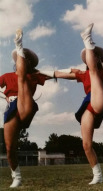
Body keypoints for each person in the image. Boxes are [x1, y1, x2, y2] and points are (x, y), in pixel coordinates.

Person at [54, 23, 103, 185]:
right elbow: (60, 74)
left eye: (95, 55)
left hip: (99, 100)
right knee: (86, 145)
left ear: (99, 59)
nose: (92, 58)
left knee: (94, 73)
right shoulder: (83, 74)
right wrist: (47, 73)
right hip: (88, 105)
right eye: (90, 55)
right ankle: (98, 175)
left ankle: (87, 39)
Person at [0, 29, 52, 188]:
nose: (21, 61)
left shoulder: (34, 75)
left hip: (26, 105)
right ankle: (16, 177)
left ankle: (19, 45)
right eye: (20, 58)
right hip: (11, 110)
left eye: (24, 58)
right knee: (9, 148)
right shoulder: (6, 76)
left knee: (22, 79)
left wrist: (79, 73)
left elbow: (57, 74)